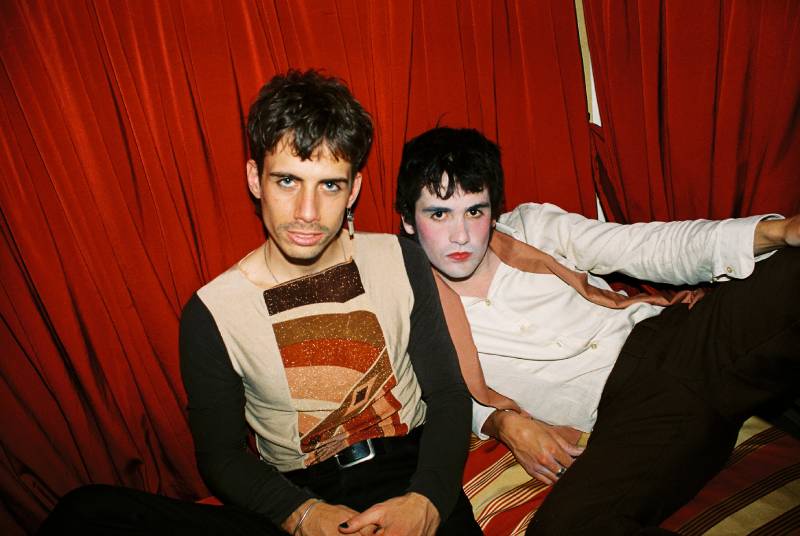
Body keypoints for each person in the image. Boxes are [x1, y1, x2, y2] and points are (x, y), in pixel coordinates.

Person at [38, 72, 481, 536]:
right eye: (288, 181)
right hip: (301, 493)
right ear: (255, 178)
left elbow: (448, 393)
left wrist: (427, 501)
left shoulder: (400, 259)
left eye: (329, 186)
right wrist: (302, 515)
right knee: (85, 512)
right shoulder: (214, 311)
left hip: (408, 474)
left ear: (353, 189)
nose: (307, 212)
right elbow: (222, 455)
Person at [394, 126, 800, 535]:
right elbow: (437, 390)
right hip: (628, 420)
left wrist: (776, 232)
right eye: (439, 214)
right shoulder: (407, 305)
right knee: (567, 528)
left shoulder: (532, 228)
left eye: (474, 211)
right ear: (409, 220)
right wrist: (501, 422)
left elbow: (641, 246)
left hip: (673, 343)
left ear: (493, 213)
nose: (461, 235)